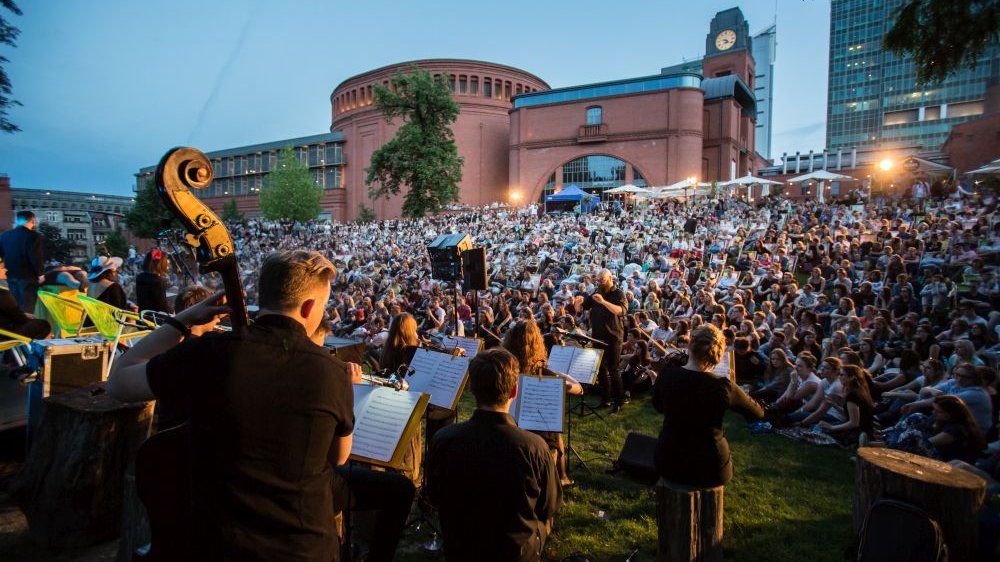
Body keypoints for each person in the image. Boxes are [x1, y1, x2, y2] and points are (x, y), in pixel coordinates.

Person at [107, 250, 413, 562]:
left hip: (220, 543)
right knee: (394, 489)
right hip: (303, 545)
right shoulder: (331, 372)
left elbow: (118, 382)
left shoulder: (208, 353)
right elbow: (338, 457)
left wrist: (184, 320)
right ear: (310, 307)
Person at [426, 348, 562, 562]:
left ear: (471, 388)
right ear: (514, 391)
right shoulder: (535, 447)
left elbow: (434, 494)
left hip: (460, 548)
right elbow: (549, 505)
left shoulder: (443, 438)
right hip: (515, 552)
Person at [652, 324, 765, 488]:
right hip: (711, 466)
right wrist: (733, 387)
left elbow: (658, 407)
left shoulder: (668, 374)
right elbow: (758, 413)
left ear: (690, 345)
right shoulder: (723, 386)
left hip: (669, 459)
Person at [502, 319, 583, 487]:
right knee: (553, 429)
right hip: (535, 429)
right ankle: (561, 476)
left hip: (508, 423)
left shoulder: (504, 366)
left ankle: (561, 475)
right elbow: (579, 388)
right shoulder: (543, 372)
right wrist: (562, 382)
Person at [582, 268, 627, 412]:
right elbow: (583, 307)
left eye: (602, 279)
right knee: (600, 369)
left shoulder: (618, 293)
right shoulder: (596, 292)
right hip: (597, 335)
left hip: (613, 336)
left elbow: (621, 311)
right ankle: (606, 399)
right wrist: (578, 303)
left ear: (610, 278)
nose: (599, 282)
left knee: (613, 369)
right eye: (598, 280)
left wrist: (603, 302)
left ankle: (619, 400)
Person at [0, 211, 44, 312]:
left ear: (17, 220)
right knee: (27, 308)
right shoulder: (33, 236)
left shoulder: (5, 235)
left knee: (15, 307)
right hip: (28, 277)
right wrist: (41, 274)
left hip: (11, 276)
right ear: (33, 220)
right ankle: (27, 326)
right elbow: (35, 256)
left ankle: (17, 326)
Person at [0, 258, 50, 339]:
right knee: (43, 325)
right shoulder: (2, 293)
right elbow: (18, 317)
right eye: (2, 268)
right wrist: (27, 318)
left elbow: (8, 313)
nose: (6, 270)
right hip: (6, 335)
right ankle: (32, 350)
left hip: (4, 330)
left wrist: (23, 315)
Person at [135, 248, 173, 314]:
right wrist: (173, 311)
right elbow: (162, 307)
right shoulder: (157, 281)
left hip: (143, 315)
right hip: (156, 319)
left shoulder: (140, 277)